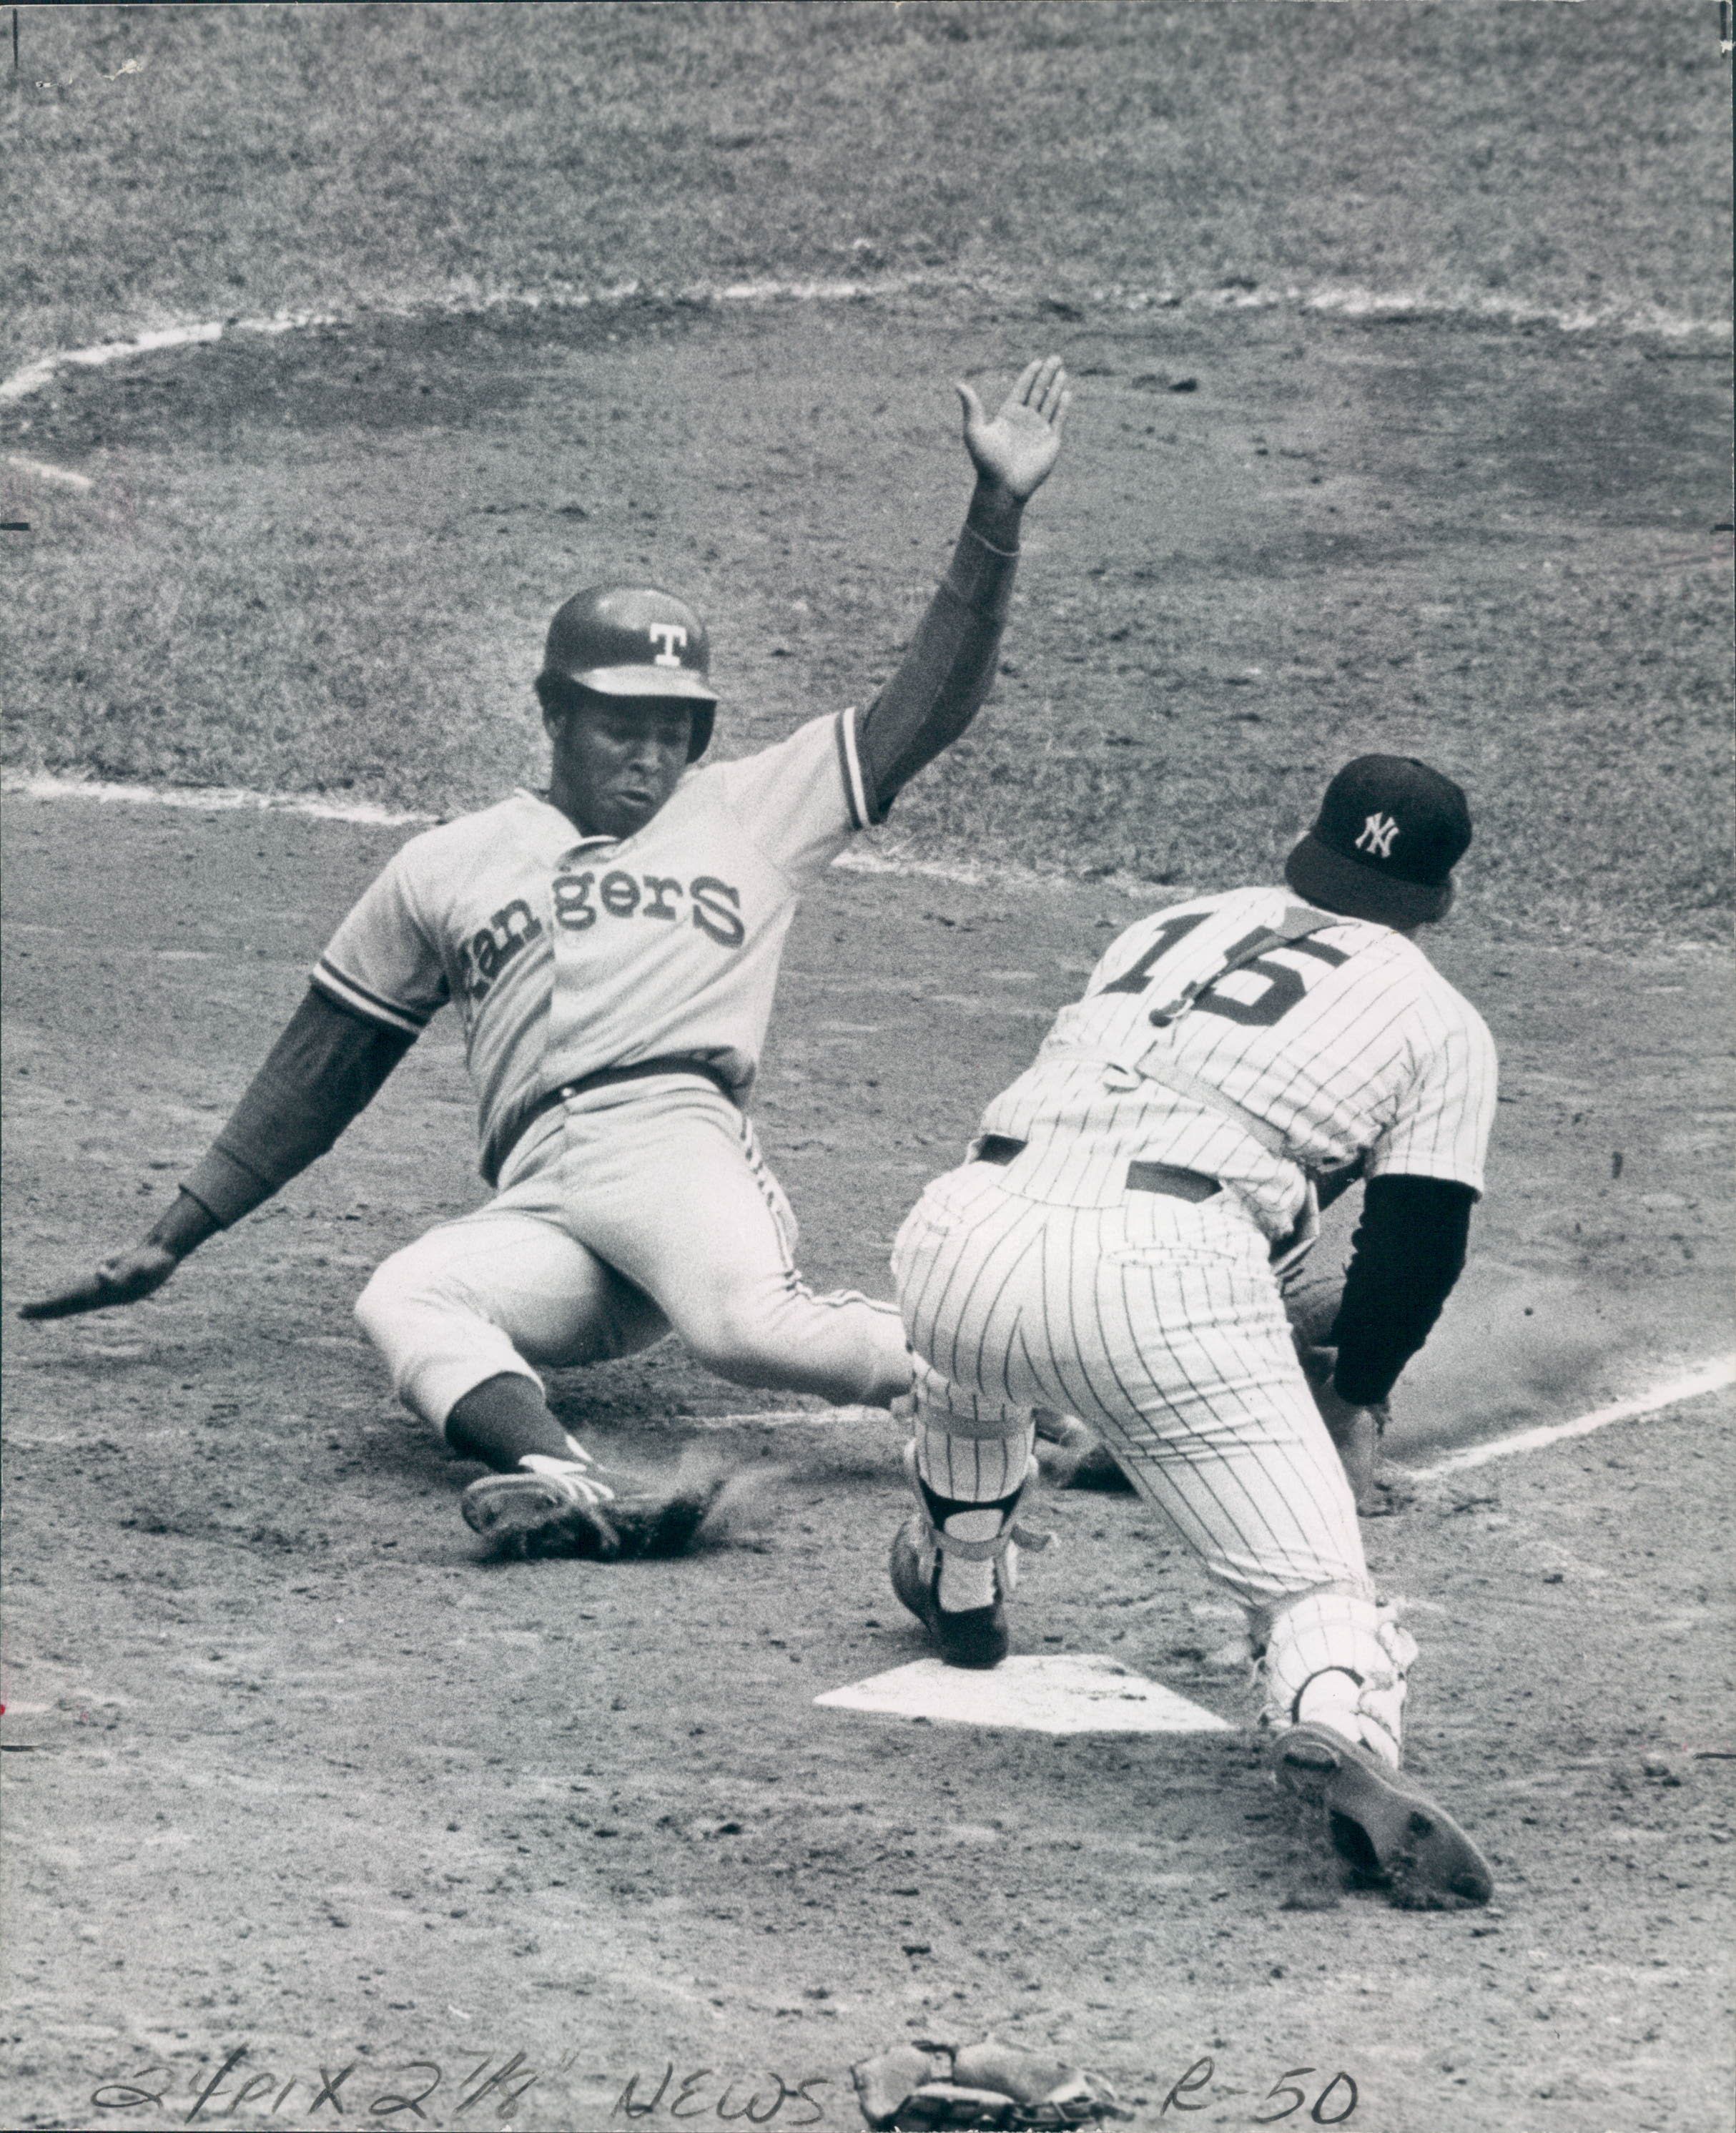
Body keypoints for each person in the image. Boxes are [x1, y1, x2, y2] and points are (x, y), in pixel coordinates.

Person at [21, 356, 1072, 1562]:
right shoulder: (446, 863)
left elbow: (925, 708)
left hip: (677, 1144)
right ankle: (567, 1479)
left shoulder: (750, 810)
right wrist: (177, 1231)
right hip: (546, 1195)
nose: (651, 753)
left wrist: (996, 519)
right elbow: (327, 1061)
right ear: (556, 714)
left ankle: (1034, 1391)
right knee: (408, 1293)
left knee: (744, 1332)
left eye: (675, 727)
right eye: (624, 722)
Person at [886, 755, 1500, 1907]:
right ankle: (1335, 1720)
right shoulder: (1439, 1017)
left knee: (973, 1364)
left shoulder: (1169, 923)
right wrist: (1355, 1398)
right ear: (1437, 899)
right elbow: (1417, 1245)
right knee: (1317, 1591)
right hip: (1160, 1277)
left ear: (1307, 850)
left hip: (958, 1230)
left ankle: (965, 1573)